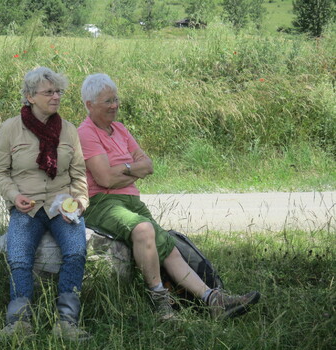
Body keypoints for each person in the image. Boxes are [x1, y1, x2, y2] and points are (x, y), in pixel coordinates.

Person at [77, 73, 260, 320]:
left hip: (130, 200)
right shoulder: (86, 133)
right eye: (108, 101)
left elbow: (148, 165)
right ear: (89, 105)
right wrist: (133, 169)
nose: (115, 105)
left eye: (116, 99)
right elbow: (105, 180)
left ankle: (213, 300)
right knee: (143, 230)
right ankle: (161, 305)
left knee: (166, 246)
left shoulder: (119, 129)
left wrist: (126, 169)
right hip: (102, 202)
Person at [0, 67, 90, 340]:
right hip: (27, 205)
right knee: (19, 257)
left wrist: (80, 201)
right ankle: (19, 324)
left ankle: (67, 323)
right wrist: (14, 197)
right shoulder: (10, 129)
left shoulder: (68, 130)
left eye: (58, 91)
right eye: (49, 92)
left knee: (75, 252)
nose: (56, 97)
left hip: (62, 205)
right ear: (30, 97)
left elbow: (79, 174)